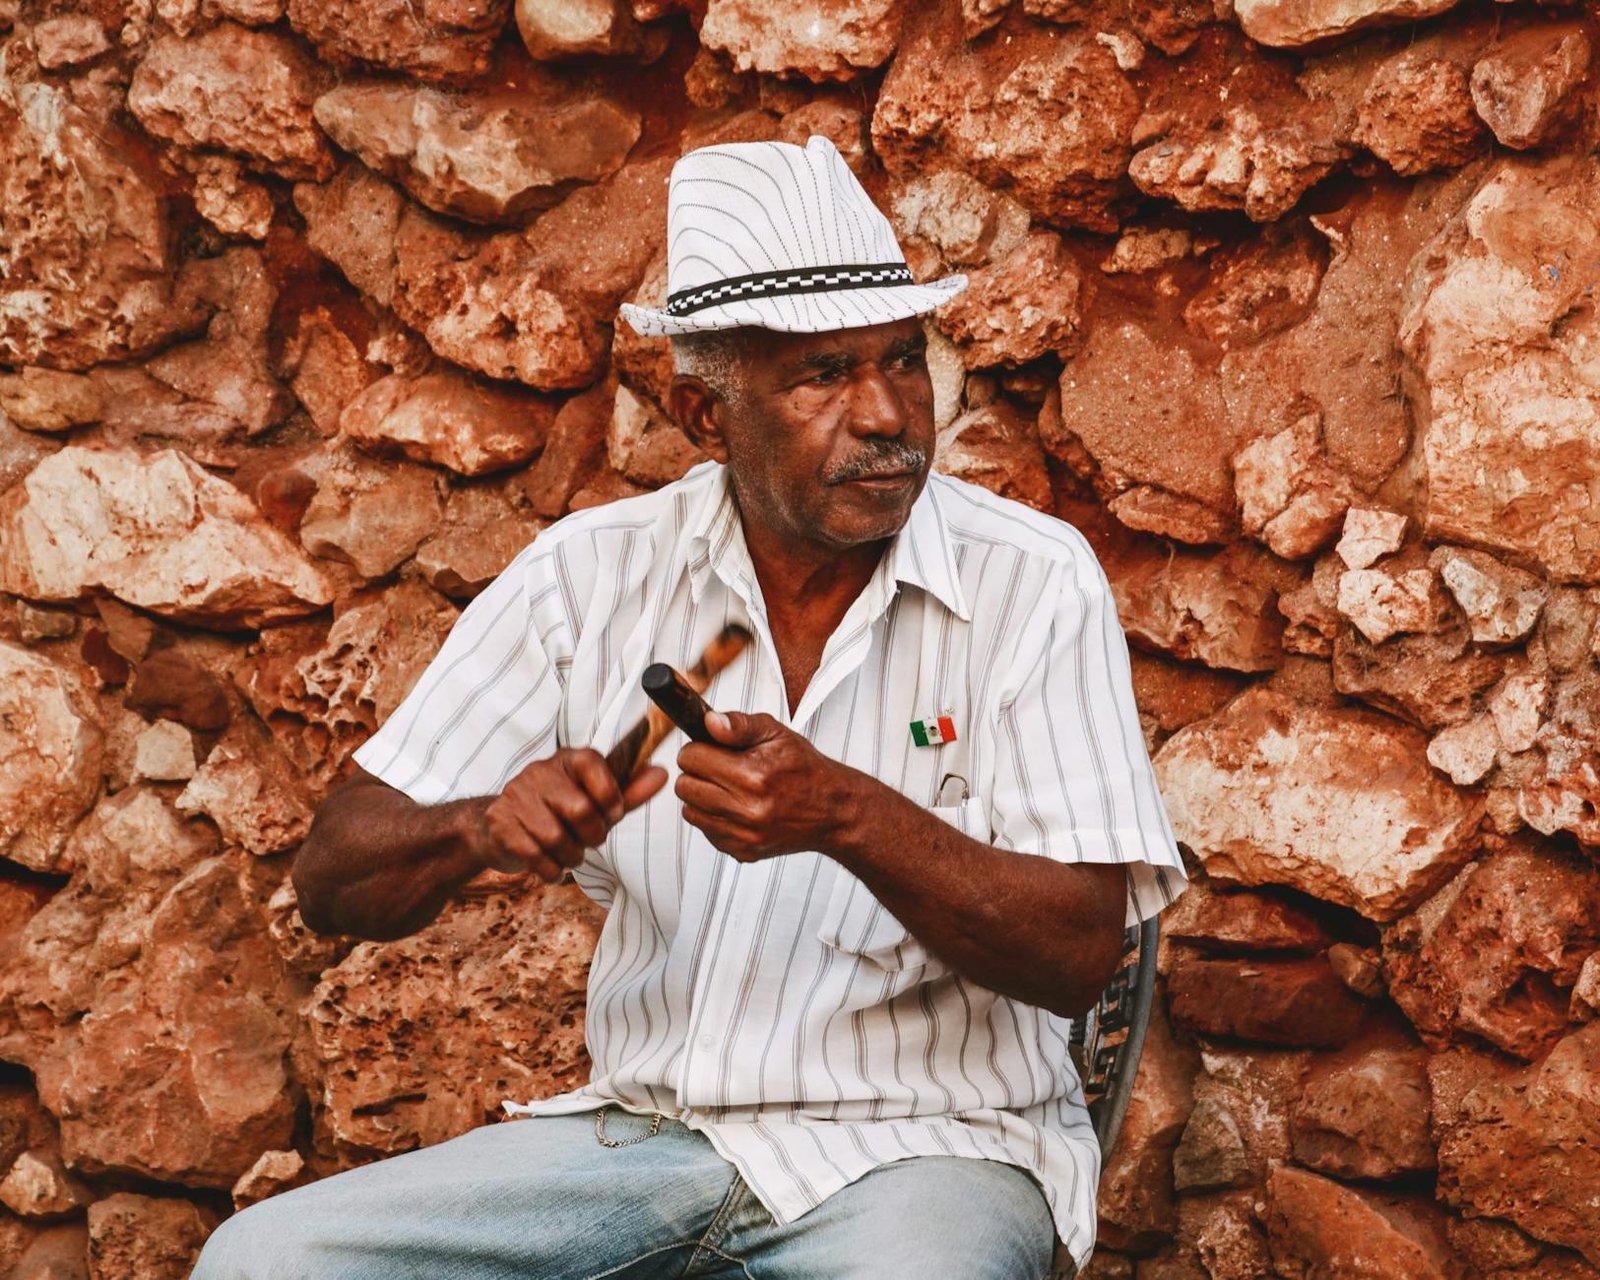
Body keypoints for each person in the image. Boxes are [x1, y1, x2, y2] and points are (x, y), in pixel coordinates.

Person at [194, 135, 1186, 1280]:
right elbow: (333, 878)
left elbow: (1080, 952)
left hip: (925, 1151)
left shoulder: (1030, 578)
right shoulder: (592, 573)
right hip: (639, 1143)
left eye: (902, 362)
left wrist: (845, 814)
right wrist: (480, 825)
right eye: (822, 374)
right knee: (266, 1263)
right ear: (704, 415)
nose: (884, 414)